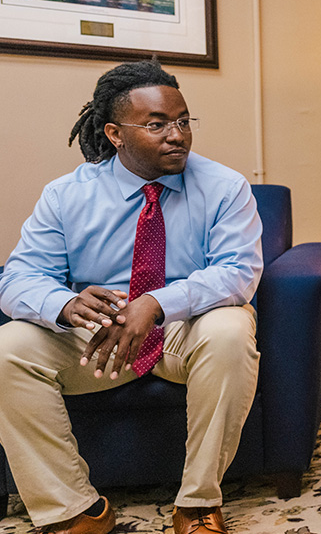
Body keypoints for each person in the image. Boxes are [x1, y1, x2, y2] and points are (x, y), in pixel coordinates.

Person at [0, 61, 262, 534]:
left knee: (231, 326)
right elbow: (19, 276)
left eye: (183, 121)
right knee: (8, 348)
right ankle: (75, 513)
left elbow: (238, 273)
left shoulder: (225, 187)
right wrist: (63, 304)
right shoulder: (65, 196)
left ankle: (198, 505)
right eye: (157, 124)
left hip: (184, 329)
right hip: (100, 336)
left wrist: (157, 303)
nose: (177, 135)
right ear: (115, 134)